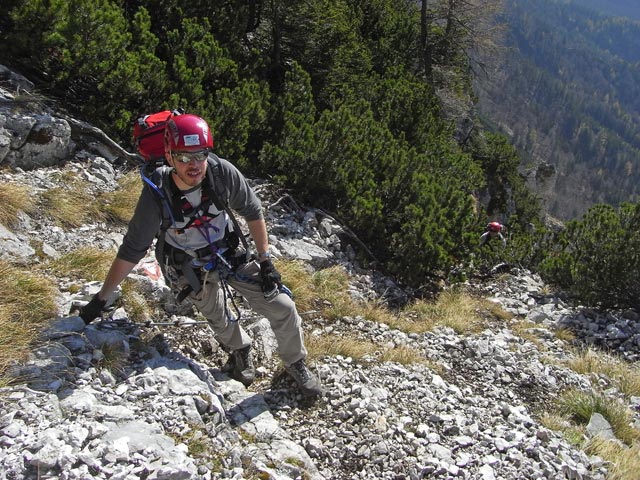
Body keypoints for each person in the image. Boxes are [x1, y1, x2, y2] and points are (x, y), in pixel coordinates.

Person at [79, 113, 322, 397]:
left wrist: (266, 262)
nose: (193, 165)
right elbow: (133, 250)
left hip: (230, 251)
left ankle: (295, 362)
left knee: (283, 307)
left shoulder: (221, 173)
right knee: (217, 315)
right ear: (169, 156)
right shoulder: (157, 194)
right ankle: (240, 350)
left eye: (200, 155)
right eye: (183, 157)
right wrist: (100, 299)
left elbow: (253, 211)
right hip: (188, 265)